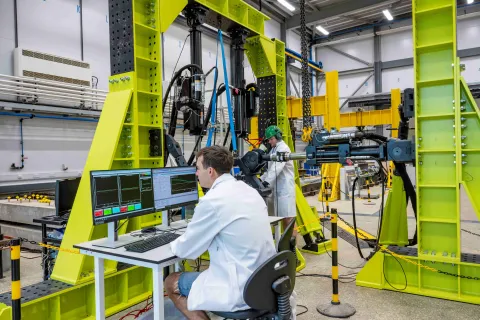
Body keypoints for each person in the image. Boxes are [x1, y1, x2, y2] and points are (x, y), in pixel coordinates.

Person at [165, 146, 277, 320]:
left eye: (198, 169)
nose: (196, 174)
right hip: (263, 281)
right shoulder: (249, 190)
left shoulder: (212, 201)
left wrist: (169, 242)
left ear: (210, 171)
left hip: (239, 288)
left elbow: (185, 250)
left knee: (171, 282)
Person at [260, 125, 296, 234]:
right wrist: (260, 180)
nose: (270, 142)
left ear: (278, 137)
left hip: (285, 189)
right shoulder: (274, 150)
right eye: (269, 139)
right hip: (277, 189)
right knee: (279, 218)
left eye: (271, 139)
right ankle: (283, 243)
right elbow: (269, 170)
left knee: (288, 219)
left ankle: (292, 246)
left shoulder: (283, 148)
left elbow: (276, 168)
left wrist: (266, 182)